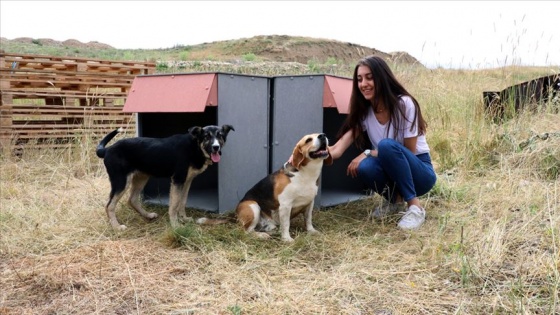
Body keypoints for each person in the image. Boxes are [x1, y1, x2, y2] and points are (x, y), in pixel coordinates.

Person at [328, 55, 437, 230]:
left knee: (385, 146)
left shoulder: (405, 104)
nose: (364, 84)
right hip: (393, 170)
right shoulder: (365, 113)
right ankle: (395, 202)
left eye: (369, 77)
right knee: (366, 167)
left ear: (382, 77)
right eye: (359, 79)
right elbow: (337, 150)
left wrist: (366, 153)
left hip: (419, 173)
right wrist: (306, 151)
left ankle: (415, 207)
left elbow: (408, 150)